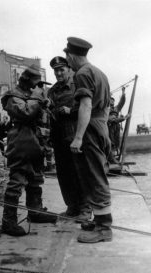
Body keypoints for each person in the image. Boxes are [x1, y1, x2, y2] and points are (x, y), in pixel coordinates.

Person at [64, 37, 112, 243]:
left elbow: (85, 105)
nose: (68, 62)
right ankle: (100, 219)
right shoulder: (100, 73)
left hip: (90, 130)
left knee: (94, 176)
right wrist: (102, 128)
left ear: (72, 56)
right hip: (100, 127)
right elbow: (107, 107)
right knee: (96, 174)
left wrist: (78, 137)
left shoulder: (82, 74)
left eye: (67, 58)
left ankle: (104, 229)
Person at [0, 64, 57, 236]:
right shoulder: (12, 96)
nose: (38, 87)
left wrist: (45, 102)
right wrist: (38, 98)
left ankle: (35, 211)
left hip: (35, 141)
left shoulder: (31, 95)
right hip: (21, 141)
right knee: (17, 181)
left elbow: (43, 114)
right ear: (26, 81)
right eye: (36, 83)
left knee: (35, 178)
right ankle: (8, 222)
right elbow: (25, 113)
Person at [48, 56, 91, 220]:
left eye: (61, 70)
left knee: (80, 172)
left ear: (69, 69)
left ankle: (86, 209)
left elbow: (88, 107)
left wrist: (70, 111)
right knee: (64, 174)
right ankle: (72, 206)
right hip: (59, 138)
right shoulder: (52, 91)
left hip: (75, 136)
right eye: (56, 70)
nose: (58, 73)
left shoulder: (78, 86)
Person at [108, 87, 130, 163]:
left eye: (113, 100)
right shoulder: (106, 109)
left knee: (117, 141)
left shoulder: (116, 108)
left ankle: (114, 157)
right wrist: (124, 118)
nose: (112, 101)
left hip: (116, 126)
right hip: (109, 126)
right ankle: (111, 158)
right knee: (111, 142)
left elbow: (122, 102)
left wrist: (123, 92)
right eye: (110, 100)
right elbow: (111, 119)